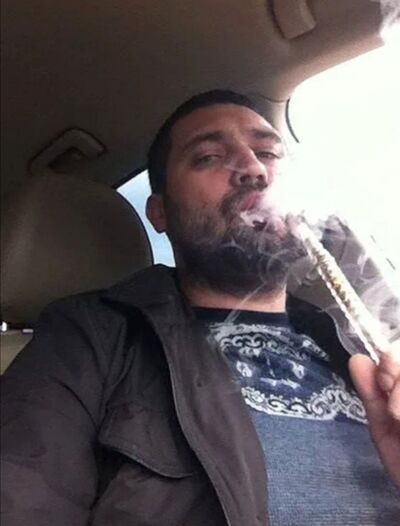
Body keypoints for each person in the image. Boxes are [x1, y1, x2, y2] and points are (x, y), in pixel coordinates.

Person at [1, 90, 399, 526]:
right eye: (208, 157)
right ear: (160, 213)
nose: (254, 169)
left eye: (269, 153)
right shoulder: (91, 336)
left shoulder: (361, 343)